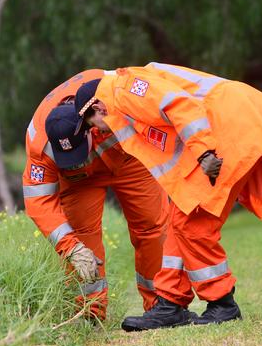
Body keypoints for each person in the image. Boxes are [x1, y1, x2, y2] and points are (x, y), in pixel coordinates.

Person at [72, 62, 262, 330]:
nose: (99, 132)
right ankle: (170, 303)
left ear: (98, 108)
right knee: (180, 220)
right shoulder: (121, 96)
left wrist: (205, 152)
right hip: (226, 127)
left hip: (227, 129)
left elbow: (178, 104)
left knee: (193, 223)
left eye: (93, 125)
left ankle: (222, 304)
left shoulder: (125, 91)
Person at [23, 69, 169, 321]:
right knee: (81, 242)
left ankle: (161, 306)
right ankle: (89, 315)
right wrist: (69, 247)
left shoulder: (108, 93)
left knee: (152, 227)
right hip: (78, 182)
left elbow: (155, 103)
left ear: (89, 124)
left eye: (77, 154)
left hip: (127, 158)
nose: (76, 161)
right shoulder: (39, 145)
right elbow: (38, 201)